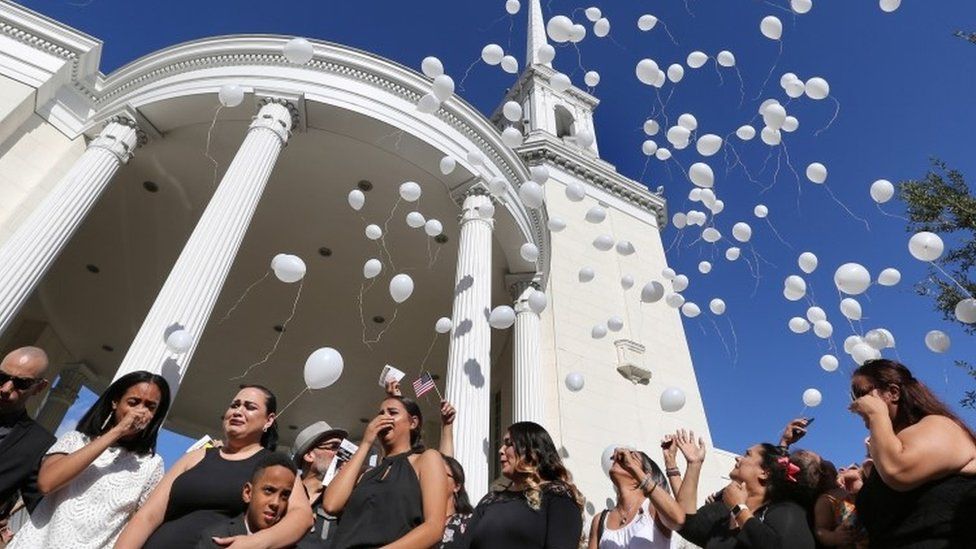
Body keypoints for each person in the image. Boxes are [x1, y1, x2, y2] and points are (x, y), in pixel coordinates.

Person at [116, 384, 313, 548]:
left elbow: (302, 517)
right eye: (235, 405)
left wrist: (254, 543)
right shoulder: (194, 457)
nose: (238, 411)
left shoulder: (274, 467)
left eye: (249, 407)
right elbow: (147, 516)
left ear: (268, 420)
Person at [8, 371, 168, 548]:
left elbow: (141, 523)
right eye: (133, 402)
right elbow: (47, 483)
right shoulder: (74, 440)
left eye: (150, 406)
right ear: (115, 402)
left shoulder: (151, 464)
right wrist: (117, 432)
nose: (140, 411)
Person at [849, 359, 976, 547]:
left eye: (861, 394)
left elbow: (898, 471)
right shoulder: (890, 448)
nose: (857, 404)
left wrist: (877, 414)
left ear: (893, 392)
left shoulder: (940, 426)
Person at [645, 430, 819, 549]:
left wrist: (739, 509)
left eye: (747, 454)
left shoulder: (785, 511)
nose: (738, 458)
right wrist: (692, 464)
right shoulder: (722, 511)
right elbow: (686, 524)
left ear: (765, 472)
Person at [323, 395, 448, 549]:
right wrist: (366, 442)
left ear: (413, 422)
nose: (384, 418)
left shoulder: (426, 460)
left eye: (392, 413)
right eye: (380, 414)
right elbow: (331, 504)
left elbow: (434, 528)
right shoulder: (364, 474)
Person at [456, 421, 584, 549]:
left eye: (508, 444)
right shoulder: (490, 500)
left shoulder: (557, 496)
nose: (501, 450)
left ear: (531, 450)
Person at [197, 452, 298, 548]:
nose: (275, 503)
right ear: (248, 493)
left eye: (284, 496)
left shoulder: (289, 545)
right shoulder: (217, 537)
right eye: (269, 490)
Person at [0, 347, 53, 519]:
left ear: (39, 387)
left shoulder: (39, 443)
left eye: (21, 383)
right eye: (2, 377)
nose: (6, 388)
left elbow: (43, 509)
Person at [588, 449, 679, 549]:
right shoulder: (600, 520)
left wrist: (633, 468)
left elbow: (679, 518)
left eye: (632, 456)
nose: (621, 458)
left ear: (646, 474)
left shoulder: (653, 508)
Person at [292, 420, 348, 547]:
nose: (341, 455)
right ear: (309, 455)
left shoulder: (345, 499)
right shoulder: (285, 492)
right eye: (334, 447)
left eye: (343, 448)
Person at [812, 460, 867, 548]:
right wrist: (834, 538)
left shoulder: (867, 489)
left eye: (853, 468)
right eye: (838, 471)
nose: (843, 469)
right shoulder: (828, 499)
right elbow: (820, 529)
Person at [440, 455, 472, 548]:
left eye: (441, 474)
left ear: (457, 486)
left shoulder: (469, 522)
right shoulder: (418, 519)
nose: (435, 479)